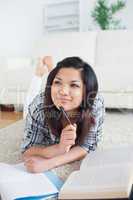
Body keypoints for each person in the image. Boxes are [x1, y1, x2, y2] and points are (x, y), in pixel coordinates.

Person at [21, 56, 105, 173]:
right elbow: (27, 149)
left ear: (86, 90)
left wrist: (50, 163)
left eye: (74, 85)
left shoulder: (95, 104)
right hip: (39, 105)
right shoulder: (38, 106)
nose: (64, 91)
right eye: (57, 82)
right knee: (27, 108)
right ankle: (39, 74)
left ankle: (52, 72)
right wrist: (59, 148)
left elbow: (88, 146)